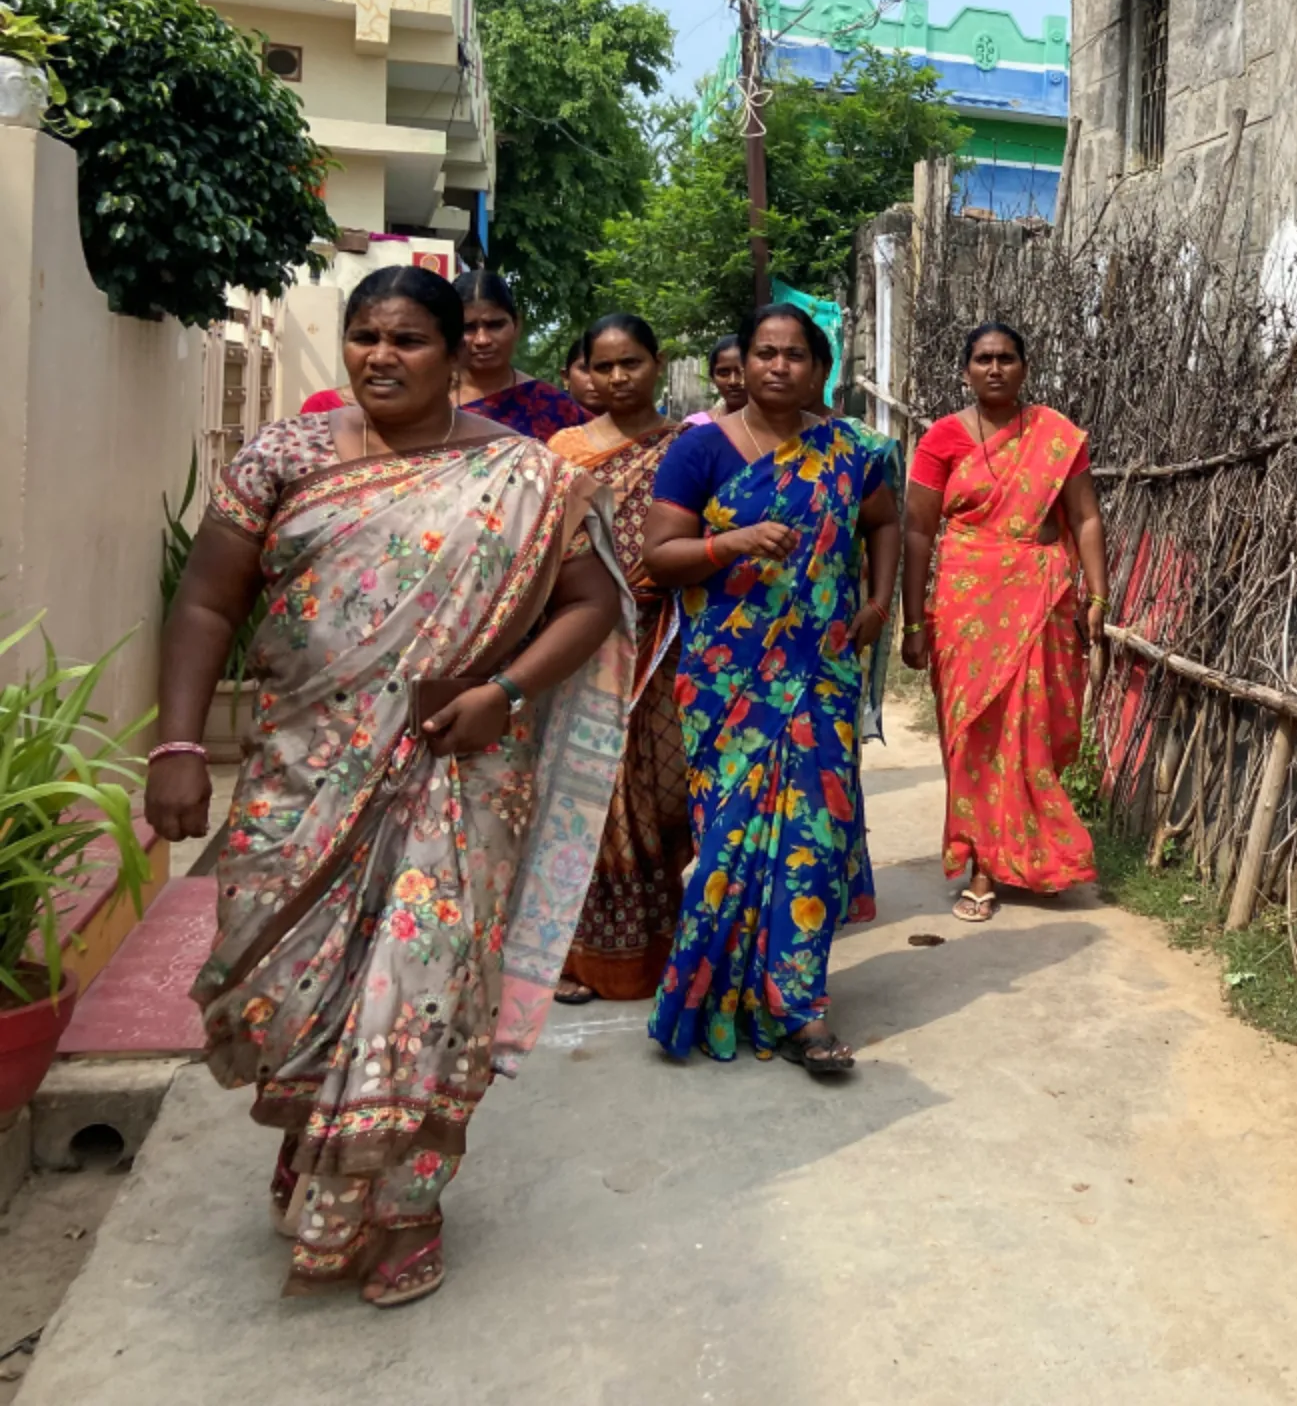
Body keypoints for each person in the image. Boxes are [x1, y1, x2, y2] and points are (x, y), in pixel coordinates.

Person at [146, 265, 633, 1307]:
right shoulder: (288, 455)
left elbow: (593, 603)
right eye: (364, 336)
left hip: (459, 773)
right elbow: (202, 603)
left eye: (408, 339)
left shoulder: (530, 477)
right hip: (300, 776)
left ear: (460, 353)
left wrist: (506, 689)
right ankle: (324, 1134)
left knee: (427, 986)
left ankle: (407, 1198)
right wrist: (178, 747)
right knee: (287, 979)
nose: (379, 356)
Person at [643, 304, 898, 1073]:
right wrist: (733, 542)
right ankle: (711, 992)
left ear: (820, 369)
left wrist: (879, 601)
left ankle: (800, 1008)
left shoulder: (854, 451)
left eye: (795, 355)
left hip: (821, 675)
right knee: (729, 839)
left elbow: (882, 523)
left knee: (811, 841)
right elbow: (661, 556)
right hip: (726, 682)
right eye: (764, 353)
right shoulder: (699, 452)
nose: (778, 366)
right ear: (744, 364)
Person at [901, 323, 1107, 922]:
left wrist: (1098, 598)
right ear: (965, 369)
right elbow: (917, 529)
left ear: (1024, 367)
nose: (995, 368)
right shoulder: (941, 439)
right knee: (970, 733)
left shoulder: (1057, 435)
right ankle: (981, 865)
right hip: (966, 604)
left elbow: (1086, 518)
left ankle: (1026, 854)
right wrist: (914, 623)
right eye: (983, 359)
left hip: (1040, 598)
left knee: (1031, 731)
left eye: (1007, 358)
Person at [547, 314, 693, 1004]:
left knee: (662, 788)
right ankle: (584, 954)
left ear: (656, 363)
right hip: (586, 638)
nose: (616, 378)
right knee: (594, 793)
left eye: (629, 363)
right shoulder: (565, 450)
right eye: (602, 366)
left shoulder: (687, 447)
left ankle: (666, 940)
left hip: (665, 636)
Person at [454, 270, 588, 439]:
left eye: (495, 325)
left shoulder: (551, 405)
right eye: (468, 328)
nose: (482, 340)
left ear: (516, 325)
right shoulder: (428, 400)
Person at [684, 333, 747, 425]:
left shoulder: (773, 426)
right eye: (723, 373)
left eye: (741, 372)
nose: (733, 381)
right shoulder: (696, 426)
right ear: (712, 378)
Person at [563, 336, 606, 417]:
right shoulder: (545, 417)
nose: (595, 379)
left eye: (604, 369)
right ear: (566, 376)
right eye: (585, 369)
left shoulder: (632, 422)